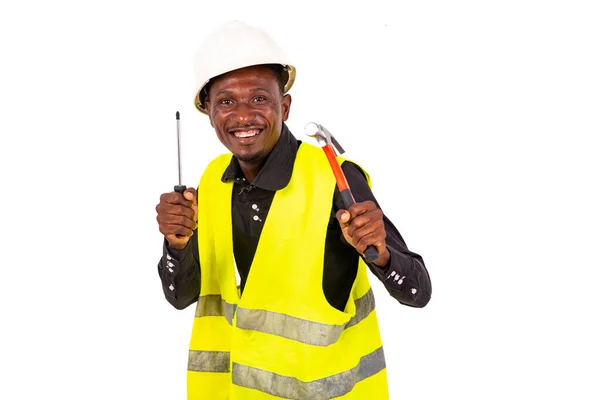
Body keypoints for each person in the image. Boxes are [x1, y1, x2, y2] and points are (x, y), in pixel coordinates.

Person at [155, 20, 432, 400]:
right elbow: (181, 297)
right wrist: (175, 245)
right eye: (226, 101)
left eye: (258, 99)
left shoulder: (335, 179)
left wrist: (381, 255)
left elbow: (417, 291)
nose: (242, 116)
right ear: (208, 112)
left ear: (284, 106)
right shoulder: (211, 180)